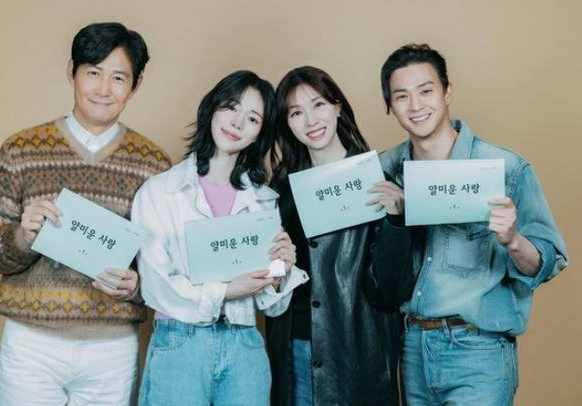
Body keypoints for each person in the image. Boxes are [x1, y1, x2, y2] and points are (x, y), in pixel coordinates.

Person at [0, 22, 171, 405]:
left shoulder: (154, 164)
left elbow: (168, 266)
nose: (103, 89)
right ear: (71, 72)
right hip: (31, 343)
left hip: (112, 349)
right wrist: (21, 237)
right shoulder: (21, 150)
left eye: (118, 77)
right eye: (93, 73)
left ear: (136, 84)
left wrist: (138, 286)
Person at [379, 43, 569, 405]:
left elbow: (549, 261)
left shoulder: (506, 169)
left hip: (478, 351)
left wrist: (513, 240)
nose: (415, 105)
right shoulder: (385, 170)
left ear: (447, 92)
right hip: (411, 349)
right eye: (401, 96)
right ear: (390, 105)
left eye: (426, 91)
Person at [132, 70, 308, 406]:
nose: (238, 123)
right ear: (211, 108)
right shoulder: (159, 192)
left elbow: (271, 304)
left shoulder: (263, 201)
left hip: (245, 344)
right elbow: (155, 284)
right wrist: (226, 291)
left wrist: (280, 268)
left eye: (252, 118)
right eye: (231, 107)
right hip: (181, 341)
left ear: (260, 134)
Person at [266, 66, 414, 406]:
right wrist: (277, 268)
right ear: (287, 124)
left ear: (337, 107)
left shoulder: (379, 182)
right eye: (296, 113)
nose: (310, 120)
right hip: (296, 348)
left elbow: (390, 291)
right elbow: (271, 281)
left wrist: (396, 222)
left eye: (318, 105)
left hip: (358, 355)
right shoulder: (280, 193)